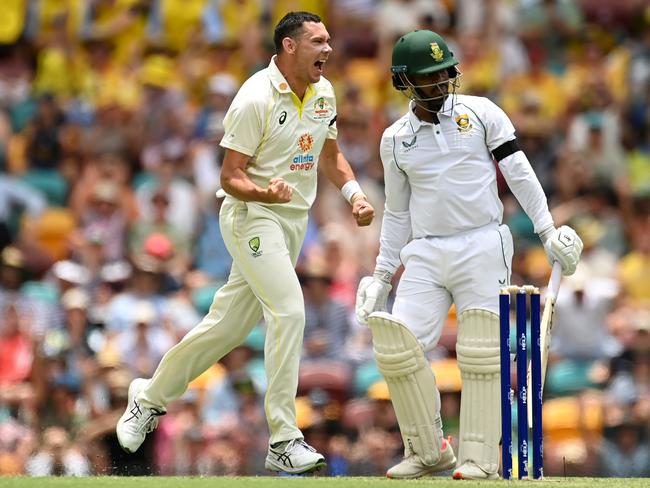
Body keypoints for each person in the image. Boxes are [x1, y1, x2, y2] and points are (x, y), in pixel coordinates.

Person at [116, 11, 374, 475]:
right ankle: (283, 436)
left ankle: (148, 397)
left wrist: (354, 195)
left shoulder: (324, 92)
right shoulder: (254, 97)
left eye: (329, 40)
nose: (329, 49)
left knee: (227, 329)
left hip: (291, 224)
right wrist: (264, 192)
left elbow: (330, 155)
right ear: (289, 47)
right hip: (250, 216)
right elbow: (230, 176)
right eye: (318, 41)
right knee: (289, 310)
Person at [355, 30, 583, 480]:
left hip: (482, 242)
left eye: (445, 73)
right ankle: (428, 450)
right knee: (397, 346)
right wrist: (382, 274)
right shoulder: (395, 139)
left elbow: (518, 171)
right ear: (405, 82)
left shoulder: (481, 113)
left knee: (481, 350)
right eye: (429, 77)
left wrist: (548, 230)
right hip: (424, 250)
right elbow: (397, 212)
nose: (441, 83)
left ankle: (479, 457)